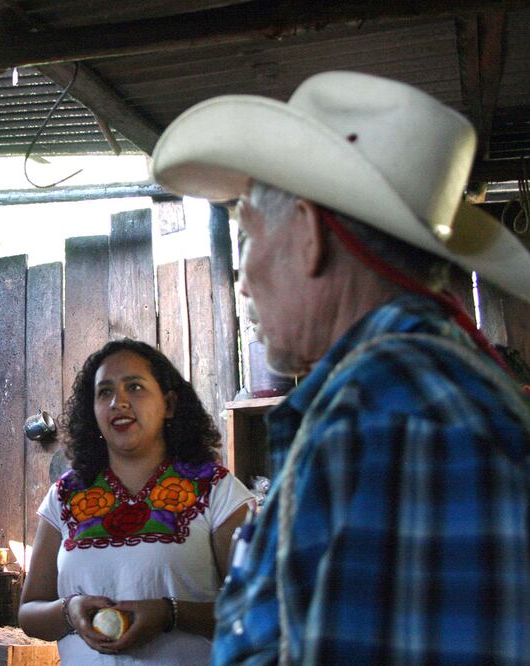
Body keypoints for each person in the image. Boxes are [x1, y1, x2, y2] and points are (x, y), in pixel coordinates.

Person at [152, 70, 530, 664]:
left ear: (307, 232)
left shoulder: (390, 418)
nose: (243, 280)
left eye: (247, 237)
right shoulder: (399, 396)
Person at [19, 339, 253, 664]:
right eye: (104, 392)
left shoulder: (216, 490)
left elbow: (258, 608)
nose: (119, 402)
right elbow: (29, 612)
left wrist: (170, 614)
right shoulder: (64, 496)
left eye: (135, 387)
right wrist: (69, 611)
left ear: (169, 404)